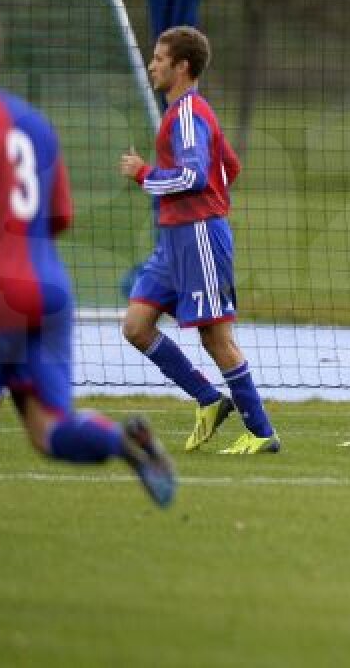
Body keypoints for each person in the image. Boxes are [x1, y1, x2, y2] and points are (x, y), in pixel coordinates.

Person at [0, 2, 176, 601]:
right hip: (47, 291)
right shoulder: (36, 124)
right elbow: (58, 217)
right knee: (50, 430)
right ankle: (122, 442)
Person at [119, 26, 279, 454]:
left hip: (199, 238)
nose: (152, 64)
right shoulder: (185, 114)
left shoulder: (188, 113)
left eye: (159, 57)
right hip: (173, 241)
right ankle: (209, 399)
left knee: (216, 339)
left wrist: (144, 174)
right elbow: (230, 166)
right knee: (136, 326)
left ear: (181, 66)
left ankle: (262, 433)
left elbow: (194, 175)